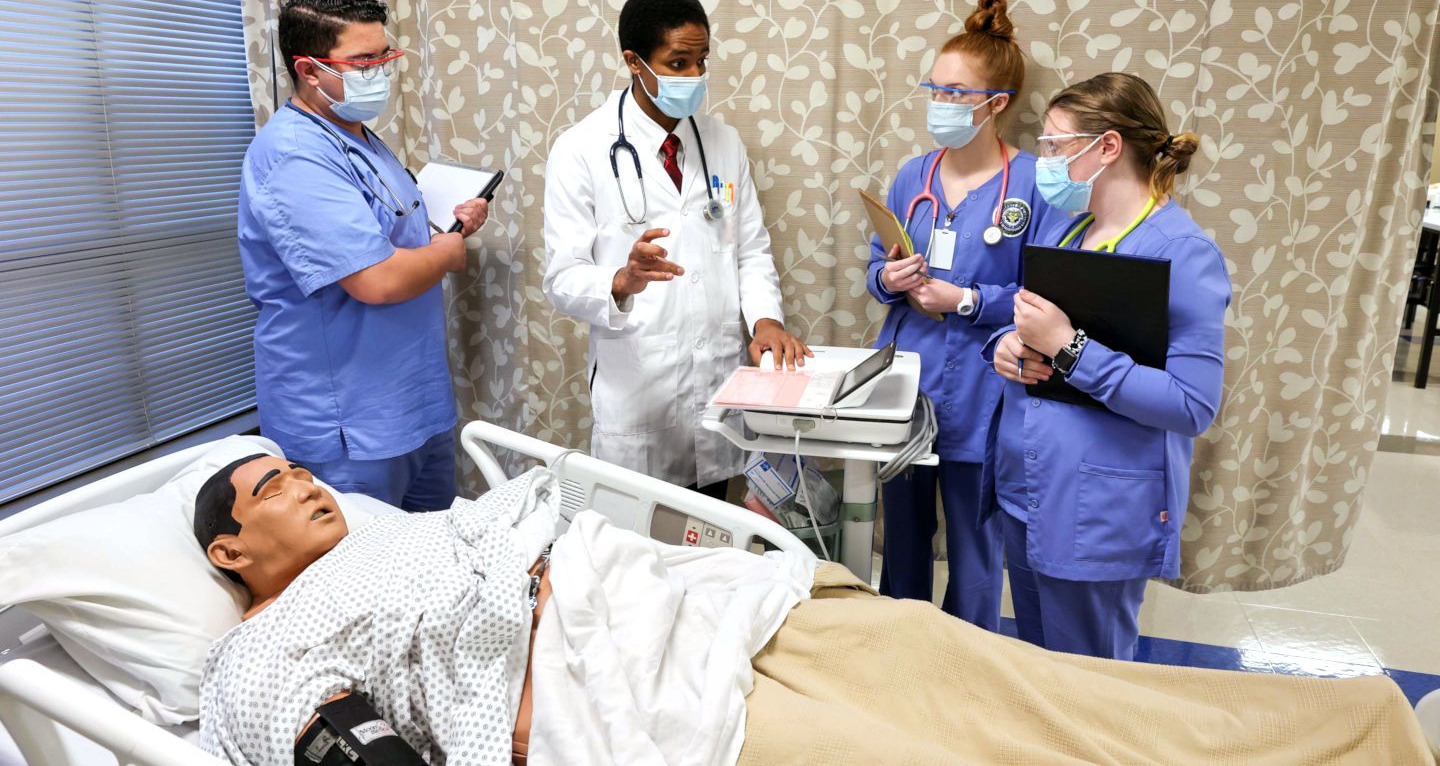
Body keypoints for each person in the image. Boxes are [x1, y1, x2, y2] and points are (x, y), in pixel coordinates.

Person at [193, 453, 1432, 765]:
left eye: (299, 468)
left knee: (987, 666)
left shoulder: (414, 523)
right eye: (270, 490)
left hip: (712, 607)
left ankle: (1355, 734)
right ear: (230, 550)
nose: (303, 483)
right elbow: (350, 748)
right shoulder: (266, 646)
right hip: (612, 699)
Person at [982, 72, 1231, 660]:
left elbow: (1192, 405)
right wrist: (1007, 347)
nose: (1043, 161)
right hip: (1030, 491)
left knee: (1089, 686)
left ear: (1108, 147)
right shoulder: (1069, 227)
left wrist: (1070, 348)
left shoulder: (1182, 253)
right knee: (1041, 667)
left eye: (1055, 146)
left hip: (1096, 510)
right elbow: (1027, 319)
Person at [542, 0, 810, 498]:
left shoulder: (722, 142)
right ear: (633, 62)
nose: (695, 77)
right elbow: (562, 278)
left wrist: (766, 321)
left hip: (718, 382)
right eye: (679, 63)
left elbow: (750, 249)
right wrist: (620, 280)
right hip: (638, 389)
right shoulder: (580, 149)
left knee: (714, 539)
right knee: (640, 550)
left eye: (702, 62)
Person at [237, 0, 491, 511]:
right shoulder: (293, 156)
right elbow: (377, 279)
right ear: (308, 70)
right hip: (347, 423)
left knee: (433, 565)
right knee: (369, 577)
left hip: (411, 401)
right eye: (362, 61)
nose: (378, 71)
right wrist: (447, 255)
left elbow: (392, 232)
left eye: (384, 56)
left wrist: (448, 228)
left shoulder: (360, 138)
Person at [865, 0, 1059, 627]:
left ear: (995, 105)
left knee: (979, 551)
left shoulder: (1032, 186)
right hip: (907, 383)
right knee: (902, 541)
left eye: (955, 94)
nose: (939, 105)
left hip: (987, 391)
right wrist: (889, 277)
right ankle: (901, 650)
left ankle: (968, 665)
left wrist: (969, 300)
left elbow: (1048, 296)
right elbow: (874, 269)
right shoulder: (911, 176)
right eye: (934, 89)